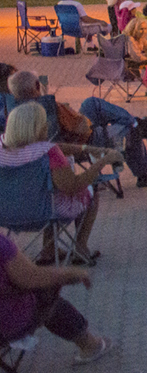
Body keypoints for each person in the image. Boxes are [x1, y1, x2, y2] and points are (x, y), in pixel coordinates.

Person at [0, 101, 123, 266]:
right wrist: (103, 162)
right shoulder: (48, 153)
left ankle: (49, 250)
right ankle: (80, 248)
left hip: (6, 215)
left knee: (49, 192)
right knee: (85, 191)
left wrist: (85, 148)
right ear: (37, 128)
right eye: (44, 122)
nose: (47, 125)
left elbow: (48, 146)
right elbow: (73, 186)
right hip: (42, 213)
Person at [0, 227, 114, 366]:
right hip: (8, 326)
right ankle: (89, 344)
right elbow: (31, 277)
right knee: (44, 293)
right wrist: (71, 274)